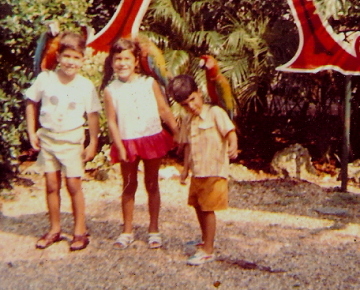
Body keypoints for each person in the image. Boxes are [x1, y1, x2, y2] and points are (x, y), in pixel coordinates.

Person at [25, 31, 101, 251]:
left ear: (83, 59)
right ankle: (54, 229)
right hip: (48, 139)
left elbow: (93, 115)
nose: (71, 62)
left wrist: (93, 142)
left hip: (72, 139)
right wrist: (32, 132)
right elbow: (31, 102)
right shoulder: (45, 78)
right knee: (51, 185)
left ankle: (79, 231)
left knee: (73, 185)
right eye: (67, 56)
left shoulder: (85, 85)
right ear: (58, 56)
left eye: (76, 57)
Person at [101, 38, 179, 250]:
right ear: (112, 62)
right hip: (127, 142)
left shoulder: (149, 83)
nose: (122, 63)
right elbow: (111, 121)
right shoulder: (111, 90)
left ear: (136, 61)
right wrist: (119, 145)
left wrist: (177, 132)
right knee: (128, 186)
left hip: (151, 138)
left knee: (152, 184)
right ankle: (127, 231)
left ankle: (154, 229)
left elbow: (164, 110)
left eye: (127, 58)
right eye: (118, 59)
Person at [168, 74, 238, 266]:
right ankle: (205, 238)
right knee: (198, 206)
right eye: (185, 104)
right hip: (198, 172)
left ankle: (208, 249)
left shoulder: (215, 113)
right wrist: (185, 169)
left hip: (214, 170)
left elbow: (229, 131)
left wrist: (233, 144)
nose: (191, 106)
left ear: (199, 93)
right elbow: (188, 146)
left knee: (208, 209)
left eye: (192, 100)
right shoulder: (187, 119)